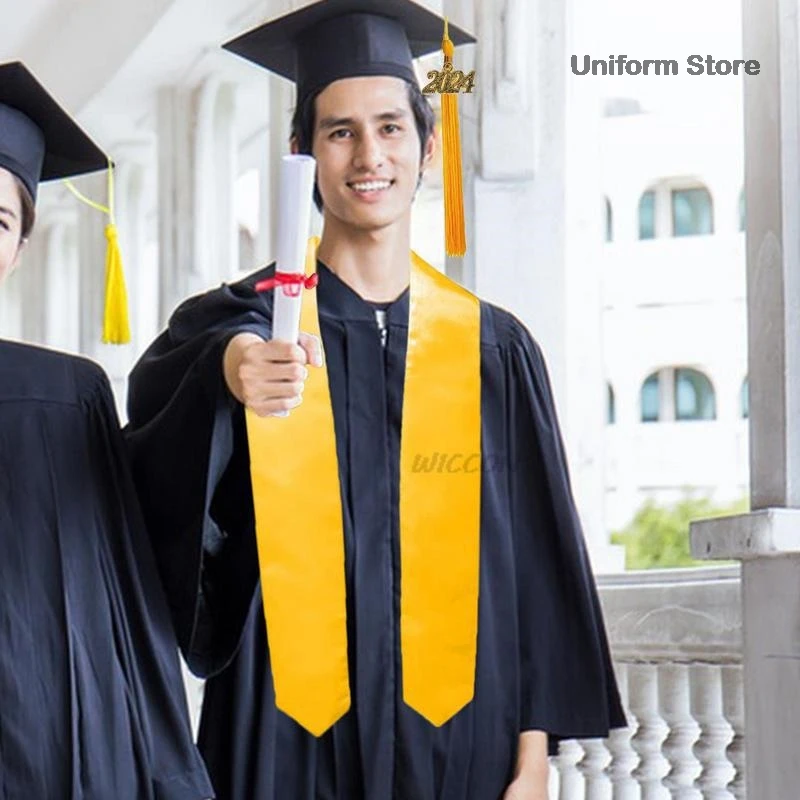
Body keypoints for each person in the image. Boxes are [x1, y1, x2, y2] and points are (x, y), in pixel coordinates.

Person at [125, 1, 627, 798]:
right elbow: (153, 452)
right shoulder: (247, 329)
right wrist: (225, 376)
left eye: (392, 128)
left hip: (465, 737)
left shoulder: (493, 349)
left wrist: (533, 759)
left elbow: (534, 560)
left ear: (428, 148)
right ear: (302, 155)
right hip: (284, 732)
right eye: (340, 131)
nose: (370, 155)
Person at [0, 61, 214, 800]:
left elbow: (129, 591)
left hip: (47, 753)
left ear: (20, 248)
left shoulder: (67, 397)